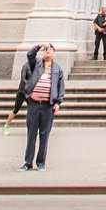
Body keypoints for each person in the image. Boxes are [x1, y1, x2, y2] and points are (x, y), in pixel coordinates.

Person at [8, 43, 64, 172]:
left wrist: (58, 103)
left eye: (49, 50)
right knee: (31, 134)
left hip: (48, 106)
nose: (47, 52)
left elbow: (61, 86)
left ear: (54, 53)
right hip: (34, 104)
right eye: (45, 51)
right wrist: (38, 46)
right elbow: (29, 55)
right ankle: (28, 162)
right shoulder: (36, 64)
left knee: (44, 135)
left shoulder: (57, 68)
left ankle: (41, 162)